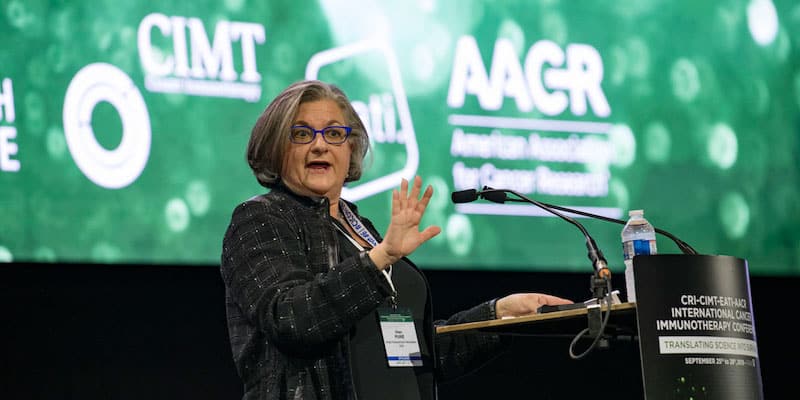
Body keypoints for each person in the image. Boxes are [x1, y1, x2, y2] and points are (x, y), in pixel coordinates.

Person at [220, 80, 573, 400]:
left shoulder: (359, 227)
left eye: (333, 134)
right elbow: (292, 320)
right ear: (275, 148)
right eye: (301, 134)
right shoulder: (260, 218)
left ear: (350, 150)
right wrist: (381, 257)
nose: (319, 146)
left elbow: (409, 351)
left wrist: (499, 315)